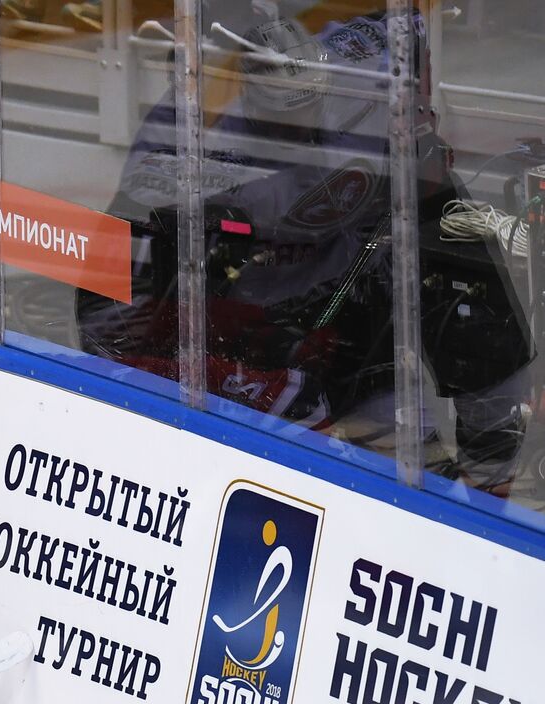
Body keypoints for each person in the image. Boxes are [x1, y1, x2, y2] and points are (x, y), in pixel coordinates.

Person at [76, 3, 532, 483]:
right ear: (249, 99)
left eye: (311, 105)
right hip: (256, 320)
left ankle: (488, 485)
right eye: (281, 119)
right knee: (371, 445)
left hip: (348, 287)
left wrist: (419, 133)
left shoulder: (357, 59)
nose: (300, 130)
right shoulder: (184, 144)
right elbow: (118, 271)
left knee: (477, 332)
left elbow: (406, 21)